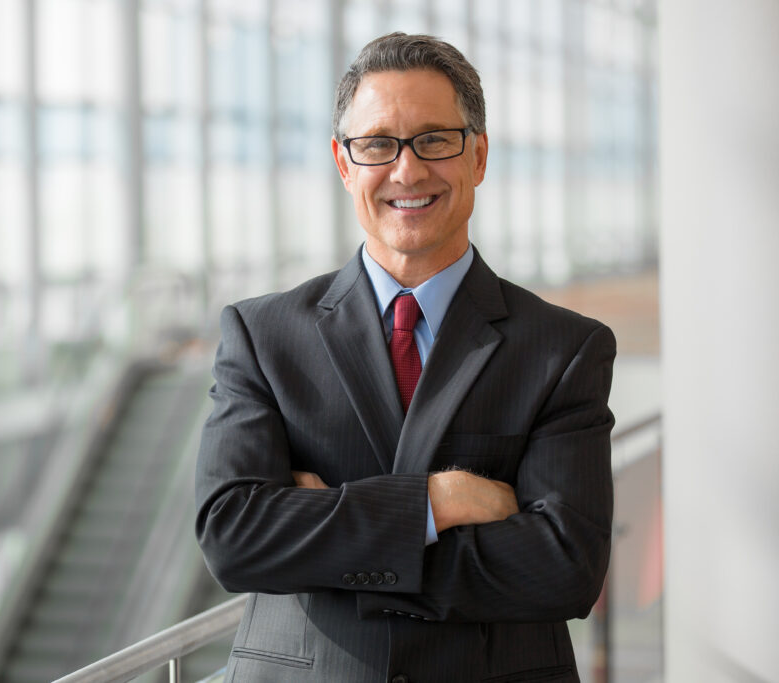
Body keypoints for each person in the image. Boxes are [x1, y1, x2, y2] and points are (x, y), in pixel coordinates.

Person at [195, 32, 615, 683]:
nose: (407, 170)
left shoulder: (564, 348)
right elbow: (232, 535)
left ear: (477, 155)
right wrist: (436, 503)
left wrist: (325, 538)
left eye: (434, 140)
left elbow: (565, 568)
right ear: (343, 162)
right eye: (378, 145)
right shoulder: (262, 335)